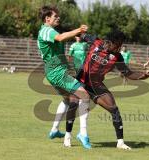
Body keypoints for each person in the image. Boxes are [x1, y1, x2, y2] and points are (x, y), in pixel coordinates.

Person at [51, 30, 149, 150]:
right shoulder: (96, 42)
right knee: (73, 104)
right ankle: (67, 137)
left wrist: (142, 76)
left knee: (114, 109)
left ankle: (120, 142)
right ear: (111, 42)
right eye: (118, 44)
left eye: (121, 44)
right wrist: (77, 31)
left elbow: (128, 73)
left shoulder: (117, 57)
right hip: (81, 82)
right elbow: (78, 34)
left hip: (97, 86)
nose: (119, 47)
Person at [37, 5, 91, 149]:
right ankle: (83, 133)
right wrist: (78, 30)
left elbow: (61, 38)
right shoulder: (47, 30)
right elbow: (60, 37)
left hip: (53, 72)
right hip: (57, 72)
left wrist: (75, 34)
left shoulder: (47, 30)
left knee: (68, 100)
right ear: (47, 19)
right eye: (55, 16)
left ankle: (55, 130)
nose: (58, 18)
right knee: (85, 96)